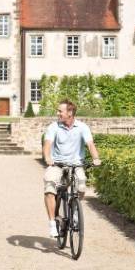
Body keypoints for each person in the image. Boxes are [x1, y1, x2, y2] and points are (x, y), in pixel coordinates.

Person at [42, 99, 101, 237]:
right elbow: (47, 144)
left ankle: (75, 209)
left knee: (81, 186)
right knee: (49, 187)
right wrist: (47, 157)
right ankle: (52, 223)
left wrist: (96, 158)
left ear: (70, 113)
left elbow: (90, 144)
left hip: (76, 164)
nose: (57, 113)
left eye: (60, 111)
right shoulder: (54, 127)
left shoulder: (82, 127)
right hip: (57, 164)